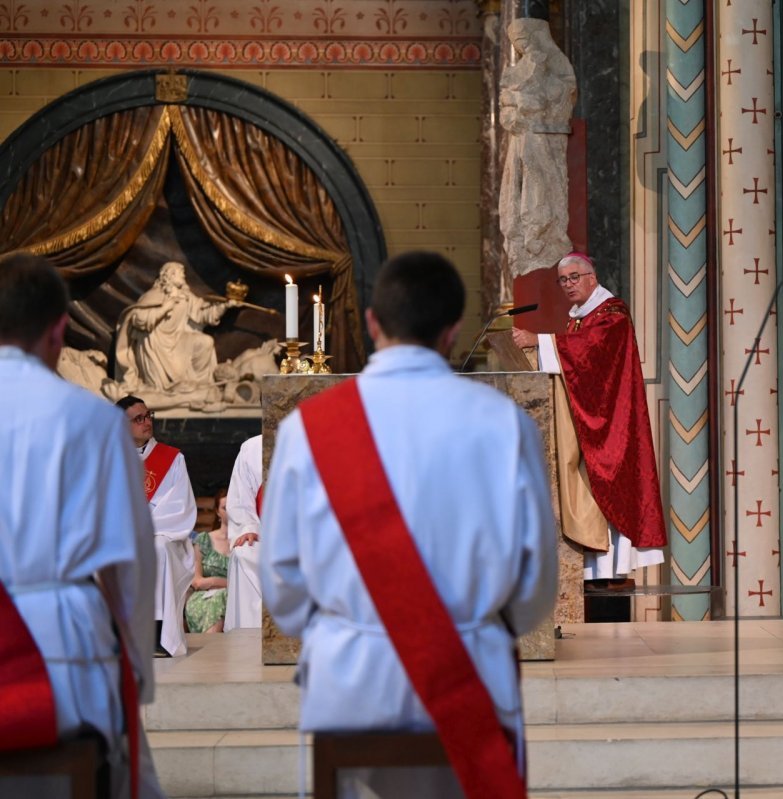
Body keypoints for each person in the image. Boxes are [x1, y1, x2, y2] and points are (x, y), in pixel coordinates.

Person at [262, 251, 558, 799]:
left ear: (373, 323)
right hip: (469, 677)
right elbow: (537, 580)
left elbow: (282, 582)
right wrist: (477, 630)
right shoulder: (504, 424)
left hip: (350, 689)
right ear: (452, 331)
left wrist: (346, 632)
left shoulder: (309, 428)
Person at [0, 251, 164, 797]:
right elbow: (132, 567)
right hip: (61, 661)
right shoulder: (93, 419)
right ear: (59, 330)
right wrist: (136, 671)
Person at [512, 251, 667, 580]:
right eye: (563, 280)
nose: (568, 285)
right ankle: (595, 571)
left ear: (591, 278)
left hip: (613, 425)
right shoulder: (578, 317)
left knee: (609, 486)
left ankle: (613, 569)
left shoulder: (613, 313)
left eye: (573, 277)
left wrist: (539, 341)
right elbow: (576, 359)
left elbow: (588, 351)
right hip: (588, 419)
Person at [116, 394, 198, 657]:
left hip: (166, 535)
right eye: (138, 419)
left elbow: (179, 507)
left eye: (148, 415)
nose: (146, 422)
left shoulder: (172, 458)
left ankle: (157, 634)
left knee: (158, 547)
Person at [498, 17, 577, 277]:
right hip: (521, 139)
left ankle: (540, 232)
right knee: (515, 190)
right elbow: (505, 109)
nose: (522, 47)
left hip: (543, 138)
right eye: (517, 44)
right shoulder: (517, 68)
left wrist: (518, 99)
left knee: (540, 185)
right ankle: (524, 236)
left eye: (525, 40)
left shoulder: (554, 63)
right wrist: (514, 108)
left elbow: (553, 98)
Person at [113, 260, 231, 393]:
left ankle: (200, 386)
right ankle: (164, 386)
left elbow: (204, 314)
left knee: (205, 342)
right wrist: (164, 308)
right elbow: (139, 320)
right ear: (170, 275)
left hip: (179, 340)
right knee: (150, 339)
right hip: (156, 344)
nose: (184, 277)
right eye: (181, 274)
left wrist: (225, 306)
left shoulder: (186, 297)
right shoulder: (154, 295)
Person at [224, 434, 263, 630]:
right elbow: (240, 500)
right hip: (267, 535)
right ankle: (249, 635)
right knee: (243, 552)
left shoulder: (318, 436)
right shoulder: (252, 447)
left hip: (312, 536)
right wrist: (249, 528)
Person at [185, 490, 230, 634]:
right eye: (225, 508)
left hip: (233, 597)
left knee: (224, 597)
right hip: (203, 598)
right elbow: (197, 582)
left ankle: (212, 651)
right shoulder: (204, 540)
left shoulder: (245, 544)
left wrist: (212, 581)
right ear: (217, 511)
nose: (230, 512)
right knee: (221, 598)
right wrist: (228, 583)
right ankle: (212, 647)